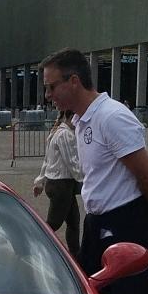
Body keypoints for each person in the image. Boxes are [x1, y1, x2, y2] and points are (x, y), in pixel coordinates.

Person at [42, 49, 148, 294]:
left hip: (124, 223)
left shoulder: (112, 117)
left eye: (52, 86)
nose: (48, 95)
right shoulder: (81, 122)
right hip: (99, 223)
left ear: (74, 81)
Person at [32, 107, 82, 260]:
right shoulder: (65, 135)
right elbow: (72, 163)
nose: (79, 122)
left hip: (58, 183)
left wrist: (40, 181)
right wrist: (89, 180)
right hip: (62, 185)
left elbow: (47, 161)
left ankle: (76, 256)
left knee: (74, 221)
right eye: (78, 118)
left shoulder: (56, 132)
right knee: (53, 225)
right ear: (71, 117)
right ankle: (35, 250)